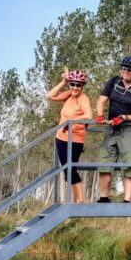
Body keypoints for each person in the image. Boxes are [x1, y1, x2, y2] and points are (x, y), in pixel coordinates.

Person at [95, 55, 131, 203]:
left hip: (130, 129)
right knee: (105, 161)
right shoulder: (114, 81)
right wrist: (100, 115)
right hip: (111, 128)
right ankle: (103, 197)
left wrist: (124, 117)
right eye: (123, 68)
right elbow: (102, 100)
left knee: (129, 164)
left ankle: (127, 200)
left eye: (130, 69)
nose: (125, 71)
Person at [47, 67, 93, 203]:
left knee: (71, 170)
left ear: (82, 86)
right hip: (61, 138)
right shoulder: (68, 95)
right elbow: (50, 95)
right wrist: (63, 81)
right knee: (67, 171)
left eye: (78, 85)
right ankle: (72, 202)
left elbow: (89, 115)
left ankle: (81, 202)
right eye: (72, 84)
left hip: (75, 140)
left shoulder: (83, 99)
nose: (75, 87)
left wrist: (71, 121)